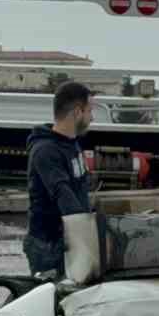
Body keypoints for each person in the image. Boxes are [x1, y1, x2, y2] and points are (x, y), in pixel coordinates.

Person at [24, 81, 94, 277]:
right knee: (49, 302)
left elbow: (78, 189)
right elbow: (62, 193)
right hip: (48, 247)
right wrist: (90, 232)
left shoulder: (71, 143)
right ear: (77, 112)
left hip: (68, 239)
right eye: (89, 110)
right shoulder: (46, 151)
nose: (92, 117)